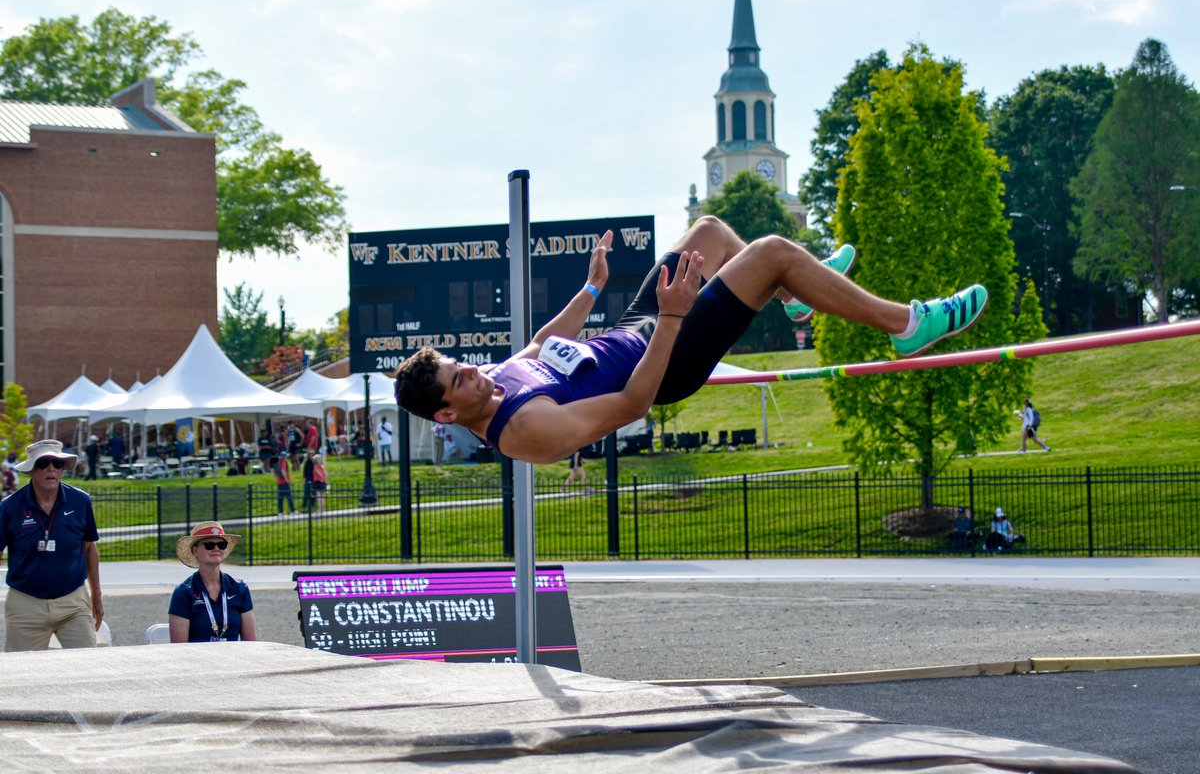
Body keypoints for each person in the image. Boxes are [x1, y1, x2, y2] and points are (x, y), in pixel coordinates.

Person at [395, 216, 989, 465]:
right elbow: (633, 405)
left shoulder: (497, 379)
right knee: (773, 251)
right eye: (460, 379)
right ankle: (907, 325)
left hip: (638, 326)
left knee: (708, 231)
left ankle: (798, 296)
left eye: (462, 364)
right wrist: (673, 319)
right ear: (448, 412)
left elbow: (540, 345)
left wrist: (592, 289)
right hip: (666, 360)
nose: (475, 371)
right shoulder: (526, 431)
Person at [0, 440, 103, 651]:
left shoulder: (80, 501)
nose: (51, 468)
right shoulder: (9, 507)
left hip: (73, 601)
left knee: (88, 667)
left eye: (57, 463)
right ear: (31, 470)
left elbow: (89, 548)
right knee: (22, 675)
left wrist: (97, 597)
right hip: (25, 603)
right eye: (43, 463)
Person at [167, 521, 256, 642]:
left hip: (233, 659)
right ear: (195, 551)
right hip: (196, 660)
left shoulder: (239, 588)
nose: (216, 548)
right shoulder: (183, 592)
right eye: (209, 545)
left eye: (221, 544)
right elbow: (179, 648)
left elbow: (250, 643)